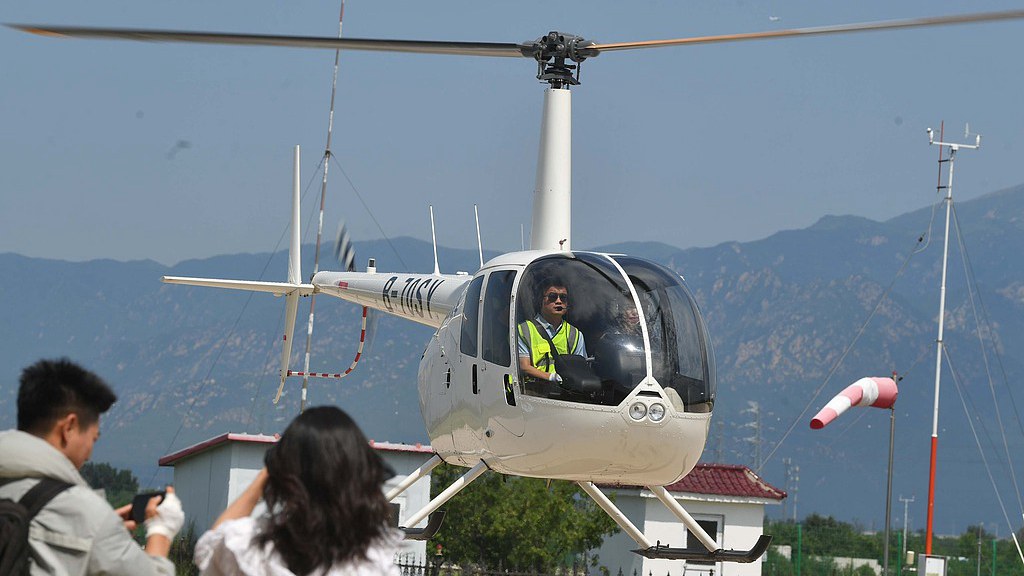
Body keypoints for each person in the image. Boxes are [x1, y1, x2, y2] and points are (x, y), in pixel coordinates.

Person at [0, 358, 184, 576]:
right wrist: (161, 530)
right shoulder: (87, 515)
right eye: (93, 439)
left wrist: (105, 532)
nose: (89, 454)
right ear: (69, 427)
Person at [194, 405, 400, 576]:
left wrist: (267, 473)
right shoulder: (376, 565)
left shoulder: (248, 553)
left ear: (285, 479)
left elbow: (208, 548)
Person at [517, 278, 587, 385]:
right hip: (532, 390)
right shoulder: (524, 330)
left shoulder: (576, 335)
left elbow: (580, 368)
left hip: (565, 391)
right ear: (540, 300)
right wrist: (551, 377)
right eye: (552, 296)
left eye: (563, 297)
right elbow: (524, 366)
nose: (558, 301)